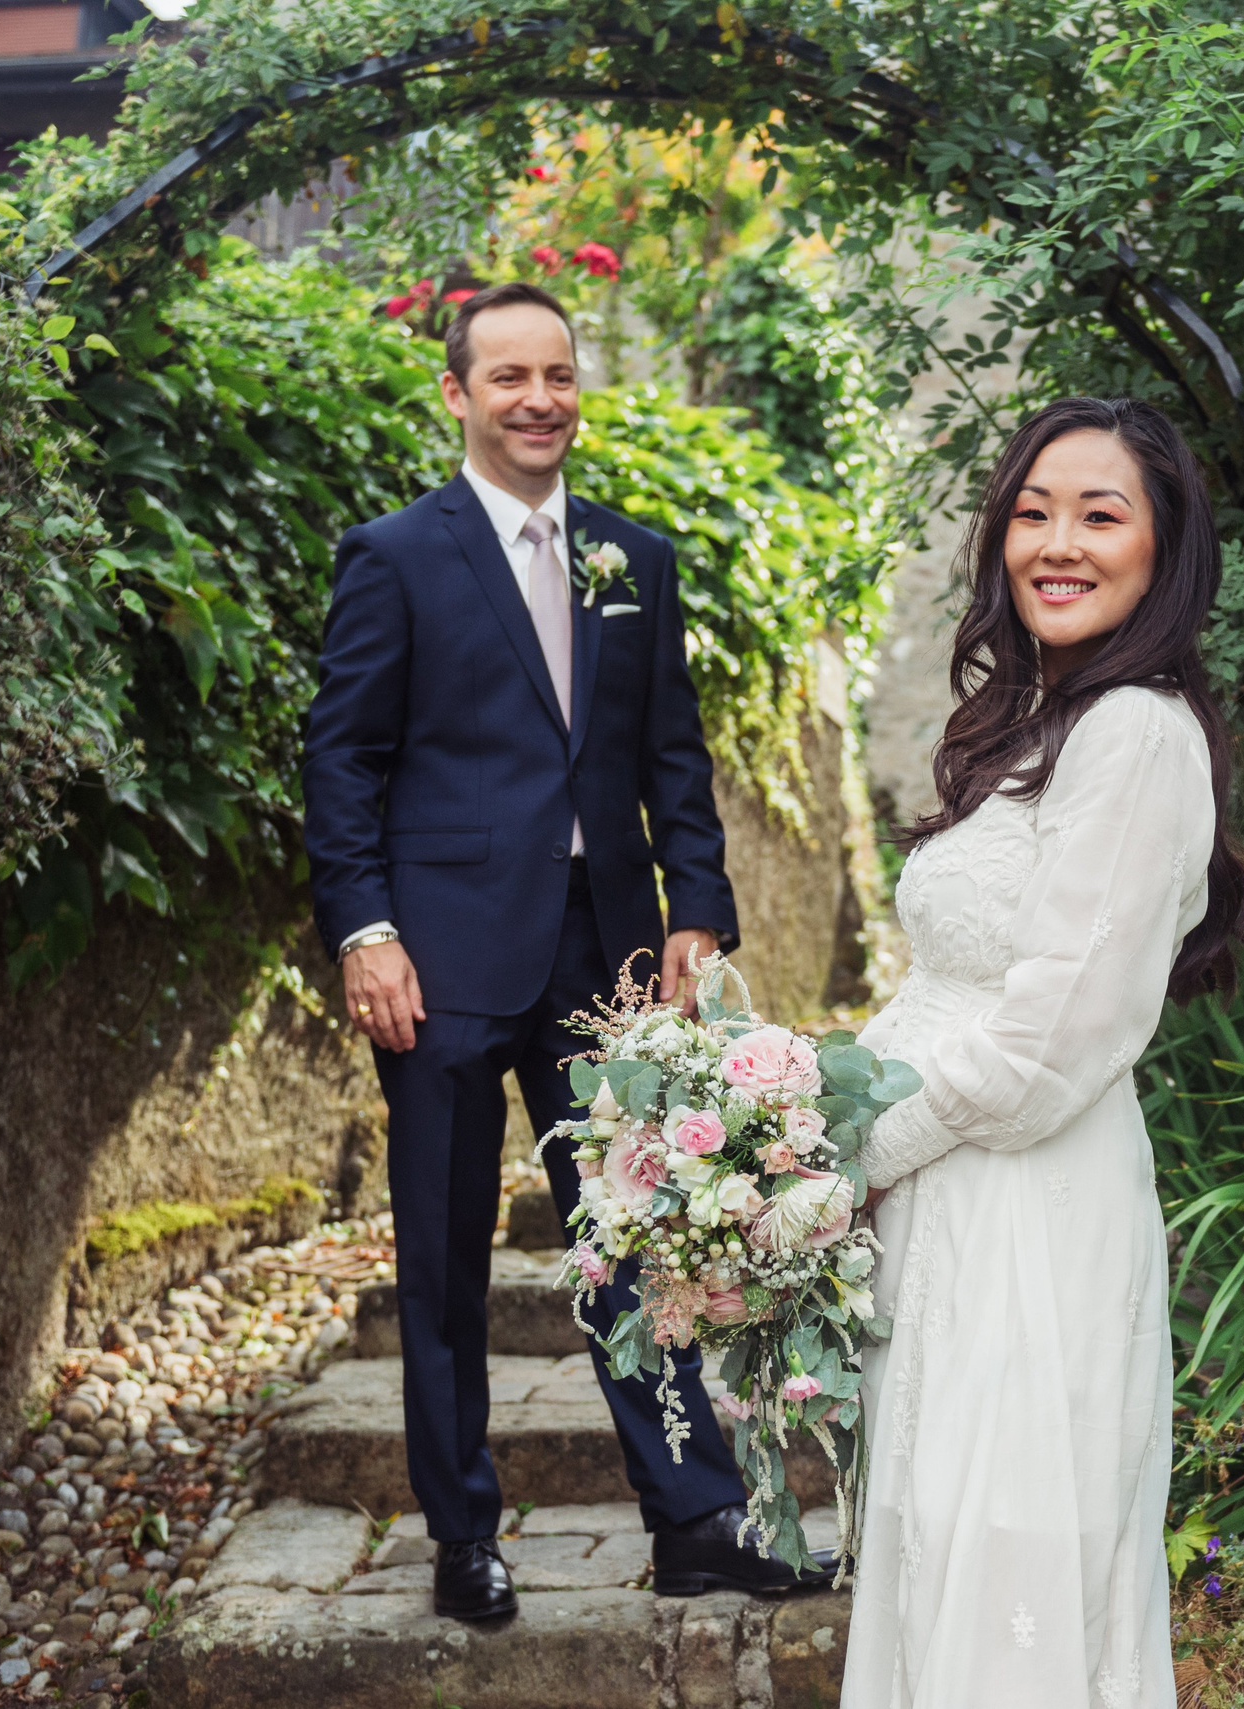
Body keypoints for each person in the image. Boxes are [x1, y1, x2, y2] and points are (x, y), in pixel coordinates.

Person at [298, 281, 835, 1621]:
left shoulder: (632, 558)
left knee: (638, 1246)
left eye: (559, 374)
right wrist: (365, 929)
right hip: (440, 961)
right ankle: (462, 1533)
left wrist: (696, 908)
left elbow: (673, 756)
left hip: (607, 960)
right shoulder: (394, 556)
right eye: (509, 377)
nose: (539, 399)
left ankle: (696, 1517)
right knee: (443, 1260)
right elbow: (343, 758)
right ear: (457, 394)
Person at [841, 397, 1244, 1706]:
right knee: (939, 1556)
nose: (1057, 543)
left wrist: (858, 1154)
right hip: (956, 1211)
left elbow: (1050, 1041)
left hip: (1028, 1210)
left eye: (1099, 515)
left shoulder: (1136, 734)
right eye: (1031, 513)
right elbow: (951, 986)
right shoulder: (1037, 721)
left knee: (1007, 1574)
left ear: (1163, 548)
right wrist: (801, 1108)